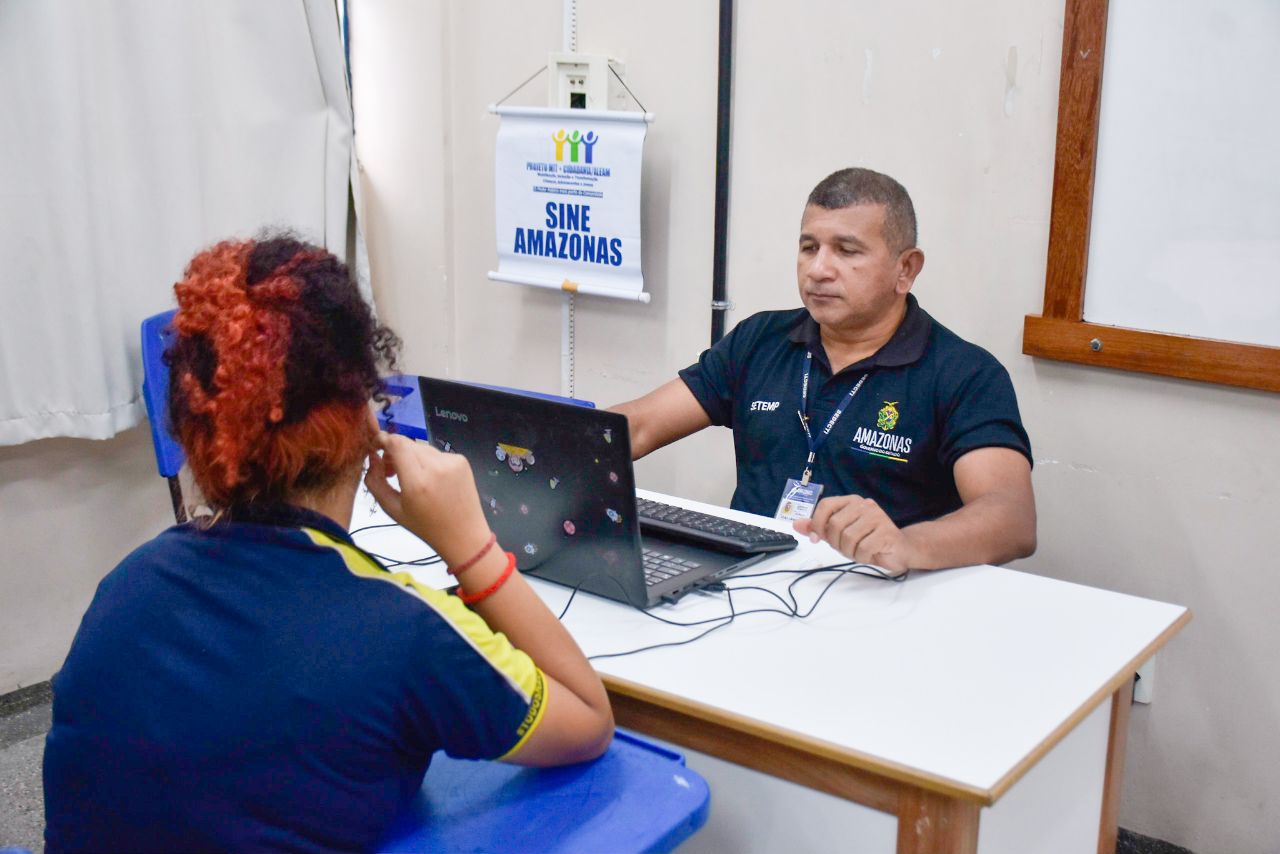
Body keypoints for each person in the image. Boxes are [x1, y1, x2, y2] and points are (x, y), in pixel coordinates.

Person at [43, 235, 613, 852]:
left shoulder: (126, 586)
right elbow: (588, 717)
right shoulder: (406, 630)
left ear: (197, 430)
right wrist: (472, 546)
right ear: (363, 420)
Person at [613, 168, 1035, 573]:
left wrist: (906, 545)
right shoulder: (761, 338)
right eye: (809, 247)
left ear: (905, 269)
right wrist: (556, 439)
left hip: (879, 595)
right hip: (743, 584)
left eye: (847, 251)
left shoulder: (964, 373)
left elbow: (1011, 519)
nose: (818, 269)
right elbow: (639, 426)